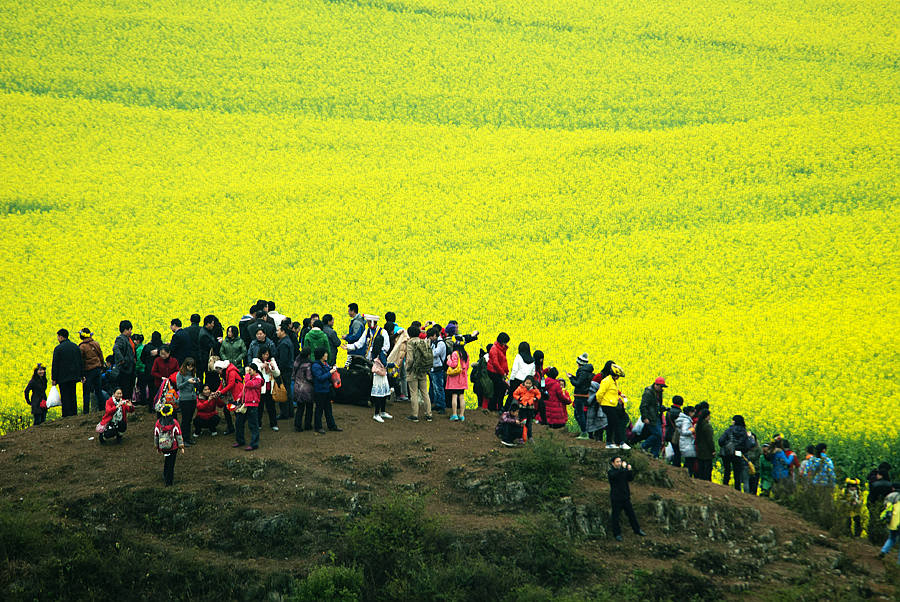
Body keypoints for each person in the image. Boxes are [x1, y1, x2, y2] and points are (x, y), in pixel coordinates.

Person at [608, 457, 646, 541]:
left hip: (625, 497)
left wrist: (629, 470)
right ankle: (617, 534)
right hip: (616, 498)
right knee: (616, 517)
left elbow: (630, 478)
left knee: (631, 514)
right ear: (613, 463)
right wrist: (624, 469)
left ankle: (637, 530)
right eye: (617, 462)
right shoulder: (611, 472)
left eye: (620, 461)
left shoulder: (622, 471)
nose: (619, 463)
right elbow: (615, 475)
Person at [404, 324, 433, 422]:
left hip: (413, 371)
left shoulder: (410, 342)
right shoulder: (422, 341)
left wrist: (407, 368)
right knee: (425, 393)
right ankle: (429, 414)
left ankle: (414, 415)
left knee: (414, 393)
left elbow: (410, 359)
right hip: (422, 370)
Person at [594, 362, 627, 448]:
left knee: (611, 423)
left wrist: (619, 395)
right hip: (607, 405)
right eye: (618, 376)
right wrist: (601, 403)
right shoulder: (606, 381)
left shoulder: (613, 381)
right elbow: (599, 394)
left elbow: (613, 391)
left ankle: (610, 442)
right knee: (615, 422)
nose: (618, 378)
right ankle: (620, 442)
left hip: (612, 405)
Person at [51, 328, 82, 417]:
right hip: (73, 376)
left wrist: (54, 378)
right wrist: (81, 375)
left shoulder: (58, 348)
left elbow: (55, 364)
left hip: (62, 377)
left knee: (64, 396)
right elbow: (80, 362)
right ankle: (74, 414)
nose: (57, 338)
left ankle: (66, 415)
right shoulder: (75, 346)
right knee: (73, 395)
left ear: (61, 337)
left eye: (58, 336)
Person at [718, 415, 753, 493]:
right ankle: (737, 491)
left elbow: (721, 441)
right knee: (737, 472)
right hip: (738, 453)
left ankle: (724, 488)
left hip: (727, 453)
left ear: (734, 421)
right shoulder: (744, 431)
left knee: (727, 470)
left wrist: (727, 445)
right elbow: (747, 445)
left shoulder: (729, 430)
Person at [310, 348, 341, 434]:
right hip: (320, 390)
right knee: (319, 409)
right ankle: (318, 427)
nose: (326, 355)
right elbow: (320, 378)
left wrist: (332, 369)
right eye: (325, 354)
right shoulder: (316, 366)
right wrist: (330, 372)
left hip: (325, 389)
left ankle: (331, 426)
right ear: (321, 356)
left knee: (328, 409)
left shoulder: (324, 363)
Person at [154, 403, 185, 486]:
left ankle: (165, 475)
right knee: (171, 464)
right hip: (173, 446)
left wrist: (157, 446)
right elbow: (178, 434)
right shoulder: (174, 422)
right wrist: (181, 446)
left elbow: (156, 435)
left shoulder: (158, 422)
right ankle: (169, 482)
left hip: (163, 446)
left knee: (167, 461)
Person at [233, 362, 262, 451]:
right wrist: (239, 397)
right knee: (239, 422)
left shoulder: (258, 379)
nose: (248, 372)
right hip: (245, 403)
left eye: (250, 370)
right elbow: (244, 389)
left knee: (253, 425)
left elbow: (249, 384)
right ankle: (240, 440)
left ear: (255, 370)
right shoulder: (249, 378)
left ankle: (254, 444)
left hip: (253, 404)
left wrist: (246, 375)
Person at [567, 354, 594, 441]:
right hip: (585, 395)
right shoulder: (587, 371)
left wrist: (571, 378)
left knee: (579, 414)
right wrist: (574, 377)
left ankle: (584, 432)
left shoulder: (582, 371)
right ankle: (585, 432)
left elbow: (578, 384)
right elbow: (581, 381)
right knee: (580, 414)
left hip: (580, 395)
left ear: (579, 363)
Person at [78, 328, 104, 414]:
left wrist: (81, 375)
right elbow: (101, 356)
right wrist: (101, 367)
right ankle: (102, 409)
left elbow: (80, 362)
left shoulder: (82, 347)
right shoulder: (96, 343)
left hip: (88, 371)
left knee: (86, 393)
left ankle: (86, 412)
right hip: (97, 369)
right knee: (98, 390)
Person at [212, 359, 242, 436]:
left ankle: (238, 428)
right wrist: (217, 391)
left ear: (221, 368)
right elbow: (222, 384)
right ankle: (233, 428)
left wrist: (221, 392)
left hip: (236, 394)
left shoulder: (231, 372)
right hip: (231, 395)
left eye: (217, 370)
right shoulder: (225, 373)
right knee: (228, 410)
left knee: (236, 411)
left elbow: (231, 384)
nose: (217, 372)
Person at [640, 377, 667, 458]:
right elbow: (643, 406)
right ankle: (643, 446)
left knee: (659, 437)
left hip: (657, 416)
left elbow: (656, 405)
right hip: (650, 417)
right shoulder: (648, 393)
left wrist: (662, 408)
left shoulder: (659, 392)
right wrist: (645, 417)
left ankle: (654, 455)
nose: (662, 388)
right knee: (657, 434)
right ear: (656, 385)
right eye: (661, 386)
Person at [175, 358, 200, 444]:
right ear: (185, 365)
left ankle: (188, 438)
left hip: (192, 399)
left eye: (192, 367)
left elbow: (194, 386)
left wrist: (196, 381)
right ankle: (183, 439)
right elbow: (179, 386)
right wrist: (187, 382)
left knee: (189, 419)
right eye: (189, 366)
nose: (190, 368)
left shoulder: (192, 374)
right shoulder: (180, 374)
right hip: (184, 400)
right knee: (185, 420)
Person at [255, 351, 280, 431]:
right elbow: (254, 370)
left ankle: (273, 424)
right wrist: (262, 366)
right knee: (259, 408)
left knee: (271, 407)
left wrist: (272, 368)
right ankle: (258, 424)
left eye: (267, 354)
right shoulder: (256, 361)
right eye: (264, 354)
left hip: (269, 388)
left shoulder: (272, 361)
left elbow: (277, 373)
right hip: (261, 389)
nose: (265, 356)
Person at [505, 342, 535, 410]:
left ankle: (506, 410)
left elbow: (515, 370)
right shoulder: (532, 360)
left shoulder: (518, 356)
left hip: (516, 380)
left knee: (511, 396)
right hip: (526, 382)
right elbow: (532, 373)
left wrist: (511, 379)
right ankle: (521, 414)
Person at [274, 322, 295, 419]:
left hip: (284, 371)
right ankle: (290, 412)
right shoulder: (287, 341)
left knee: (283, 391)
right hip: (288, 369)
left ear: (283, 331)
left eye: (278, 330)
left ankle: (285, 413)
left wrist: (277, 371)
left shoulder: (283, 344)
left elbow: (283, 360)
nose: (276, 332)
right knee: (287, 390)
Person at [112, 320, 136, 400]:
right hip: (125, 369)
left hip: (130, 368)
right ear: (126, 330)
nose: (131, 332)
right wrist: (122, 360)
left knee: (129, 388)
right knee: (125, 389)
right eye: (130, 329)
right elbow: (115, 348)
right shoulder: (121, 339)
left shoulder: (128, 339)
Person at [486, 333, 510, 412]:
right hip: (494, 372)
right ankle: (495, 407)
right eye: (505, 342)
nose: (506, 344)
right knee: (500, 389)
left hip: (498, 372)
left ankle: (496, 407)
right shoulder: (494, 349)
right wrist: (503, 373)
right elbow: (495, 363)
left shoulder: (501, 348)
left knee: (499, 389)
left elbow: (502, 361)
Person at [426, 325, 448, 414]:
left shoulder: (441, 343)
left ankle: (442, 406)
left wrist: (427, 349)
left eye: (431, 336)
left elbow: (434, 353)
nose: (430, 338)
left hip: (438, 368)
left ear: (435, 335)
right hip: (433, 368)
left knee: (439, 388)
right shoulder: (434, 342)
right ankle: (437, 404)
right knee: (434, 387)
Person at [511, 375, 541, 441]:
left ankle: (529, 436)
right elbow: (514, 394)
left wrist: (535, 398)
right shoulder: (520, 388)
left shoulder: (534, 389)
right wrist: (519, 398)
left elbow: (539, 394)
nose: (528, 385)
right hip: (522, 408)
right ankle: (520, 436)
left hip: (530, 408)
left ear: (532, 383)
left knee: (529, 423)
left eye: (529, 383)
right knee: (522, 422)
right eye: (526, 383)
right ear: (524, 382)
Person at [445, 342, 469, 422]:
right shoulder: (466, 354)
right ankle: (462, 415)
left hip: (455, 378)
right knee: (461, 396)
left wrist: (448, 360)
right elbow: (467, 366)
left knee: (454, 396)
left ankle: (454, 414)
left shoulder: (455, 353)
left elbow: (454, 364)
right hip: (462, 378)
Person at [386, 325, 410, 403]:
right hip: (394, 361)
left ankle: (392, 395)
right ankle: (401, 395)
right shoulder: (390, 338)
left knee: (393, 377)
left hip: (392, 361)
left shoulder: (385, 336)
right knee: (397, 377)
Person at [292, 349, 315, 432]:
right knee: (309, 407)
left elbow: (293, 375)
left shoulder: (296, 362)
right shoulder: (308, 364)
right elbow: (309, 377)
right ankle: (307, 425)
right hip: (306, 388)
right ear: (308, 355)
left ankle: (297, 425)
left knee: (300, 408)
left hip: (297, 387)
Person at [198, 315, 222, 388]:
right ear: (207, 324)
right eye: (212, 323)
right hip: (206, 359)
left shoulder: (206, 331)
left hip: (206, 358)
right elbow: (210, 346)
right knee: (210, 376)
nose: (213, 325)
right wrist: (219, 342)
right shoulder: (204, 334)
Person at [879, 491, 900, 564]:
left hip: (893, 524)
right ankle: (899, 563)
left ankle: (883, 551)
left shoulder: (893, 500)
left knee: (891, 538)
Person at [694, 409, 715, 481]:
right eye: (709, 416)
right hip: (707, 451)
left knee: (701, 468)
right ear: (707, 416)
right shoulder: (707, 426)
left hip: (699, 450)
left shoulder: (698, 425)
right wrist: (713, 450)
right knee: (707, 469)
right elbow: (710, 440)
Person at [675, 406, 696, 477]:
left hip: (684, 442)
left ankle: (684, 476)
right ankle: (686, 477)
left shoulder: (682, 419)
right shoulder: (686, 420)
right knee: (689, 462)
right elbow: (684, 432)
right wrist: (693, 429)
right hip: (687, 443)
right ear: (690, 413)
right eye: (693, 412)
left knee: (688, 461)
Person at [665, 396, 684, 467]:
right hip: (675, 435)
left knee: (675, 451)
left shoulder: (669, 411)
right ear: (681, 403)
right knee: (677, 452)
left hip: (669, 433)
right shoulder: (679, 413)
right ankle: (676, 467)